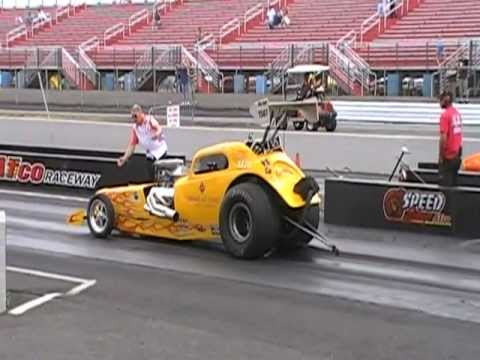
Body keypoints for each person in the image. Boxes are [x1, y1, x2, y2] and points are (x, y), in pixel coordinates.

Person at [117, 104, 168, 179]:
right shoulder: (135, 128)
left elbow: (159, 128)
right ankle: (153, 183)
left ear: (141, 114)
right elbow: (132, 145)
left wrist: (157, 134)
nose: (134, 119)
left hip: (160, 150)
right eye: (132, 117)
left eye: (135, 116)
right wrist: (124, 158)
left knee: (156, 168)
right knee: (149, 169)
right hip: (150, 153)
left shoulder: (149, 120)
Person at [438, 91, 463, 187]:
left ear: (445, 100)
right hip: (457, 154)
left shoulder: (445, 116)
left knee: (445, 186)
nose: (439, 102)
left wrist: (440, 156)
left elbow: (443, 138)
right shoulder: (457, 114)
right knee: (454, 183)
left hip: (448, 156)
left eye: (441, 100)